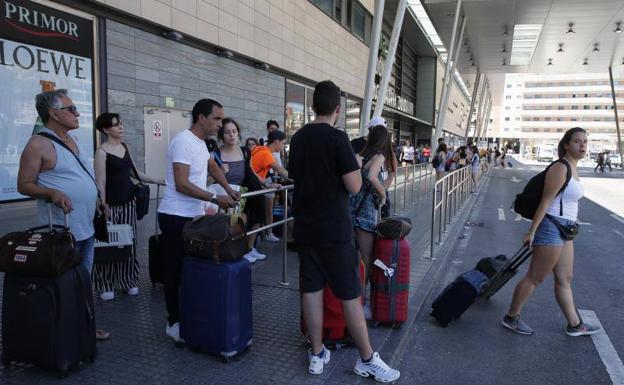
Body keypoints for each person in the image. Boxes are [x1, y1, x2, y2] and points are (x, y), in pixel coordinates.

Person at [288, 80, 400, 382]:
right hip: (334, 229)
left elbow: (294, 175)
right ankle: (367, 358)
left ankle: (317, 352)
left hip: (305, 226)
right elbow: (353, 186)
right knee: (350, 293)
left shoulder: (297, 139)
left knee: (310, 290)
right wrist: (353, 163)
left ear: (314, 106)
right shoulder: (337, 139)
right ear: (338, 109)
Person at [17, 89, 110, 340]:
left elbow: (79, 176)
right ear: (53, 113)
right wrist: (51, 192)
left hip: (86, 226)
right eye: (71, 109)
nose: (77, 113)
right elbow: (24, 184)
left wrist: (98, 200)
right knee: (63, 284)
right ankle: (64, 336)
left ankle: (84, 328)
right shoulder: (38, 143)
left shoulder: (72, 140)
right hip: (61, 231)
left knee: (83, 282)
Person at [502, 127, 600, 337]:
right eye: (577, 141)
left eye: (585, 141)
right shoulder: (561, 167)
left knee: (565, 277)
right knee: (535, 277)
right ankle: (511, 317)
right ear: (566, 144)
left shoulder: (574, 168)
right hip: (551, 227)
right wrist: (532, 231)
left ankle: (574, 324)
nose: (582, 145)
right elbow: (546, 201)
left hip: (566, 230)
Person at [158, 99, 238, 343]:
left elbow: (212, 166)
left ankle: (189, 316)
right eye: (216, 119)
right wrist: (216, 197)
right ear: (201, 118)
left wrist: (228, 188)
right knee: (174, 270)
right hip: (174, 216)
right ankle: (173, 322)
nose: (220, 124)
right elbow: (182, 183)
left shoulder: (200, 143)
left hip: (193, 216)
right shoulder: (183, 140)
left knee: (190, 269)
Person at [93, 113, 164, 301]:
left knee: (128, 243)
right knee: (109, 244)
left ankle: (127, 280)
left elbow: (135, 173)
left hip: (128, 203)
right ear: (106, 129)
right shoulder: (101, 152)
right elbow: (100, 181)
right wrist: (103, 204)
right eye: (116, 125)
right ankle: (105, 283)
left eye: (121, 124)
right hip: (111, 205)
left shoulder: (124, 147)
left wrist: (158, 180)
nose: (121, 127)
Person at [214, 118, 271, 263]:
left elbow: (251, 171)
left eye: (234, 131)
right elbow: (208, 177)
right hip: (225, 194)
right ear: (221, 136)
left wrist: (265, 184)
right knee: (234, 225)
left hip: (244, 192)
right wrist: (220, 171)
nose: (232, 135)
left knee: (257, 216)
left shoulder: (245, 151)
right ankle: (235, 251)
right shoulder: (215, 154)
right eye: (227, 132)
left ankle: (249, 249)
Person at [350, 125, 392, 297]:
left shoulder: (362, 155)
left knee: (355, 258)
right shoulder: (379, 156)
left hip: (354, 210)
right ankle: (360, 300)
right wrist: (383, 193)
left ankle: (352, 298)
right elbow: (372, 177)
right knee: (365, 259)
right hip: (366, 214)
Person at [250, 129, 289, 242]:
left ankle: (251, 248)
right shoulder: (266, 153)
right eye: (283, 143)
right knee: (256, 219)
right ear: (276, 142)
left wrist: (267, 184)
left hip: (254, 186)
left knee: (255, 219)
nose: (283, 146)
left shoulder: (260, 149)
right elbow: (280, 170)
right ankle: (249, 249)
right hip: (253, 188)